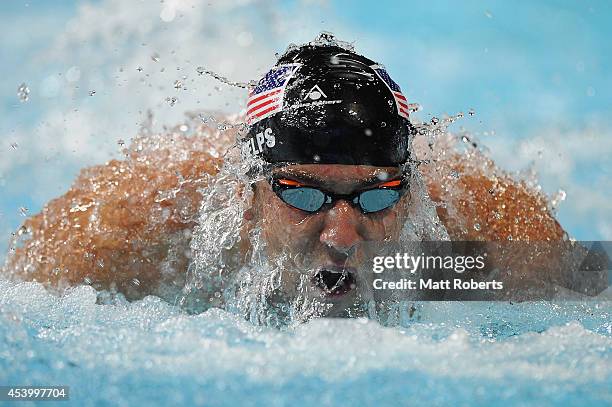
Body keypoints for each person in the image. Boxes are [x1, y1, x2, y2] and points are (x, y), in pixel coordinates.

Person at [4, 41, 575, 318]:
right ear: (246, 197)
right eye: (303, 194)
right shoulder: (123, 231)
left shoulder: (496, 233)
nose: (342, 237)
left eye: (377, 196)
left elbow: (584, 302)